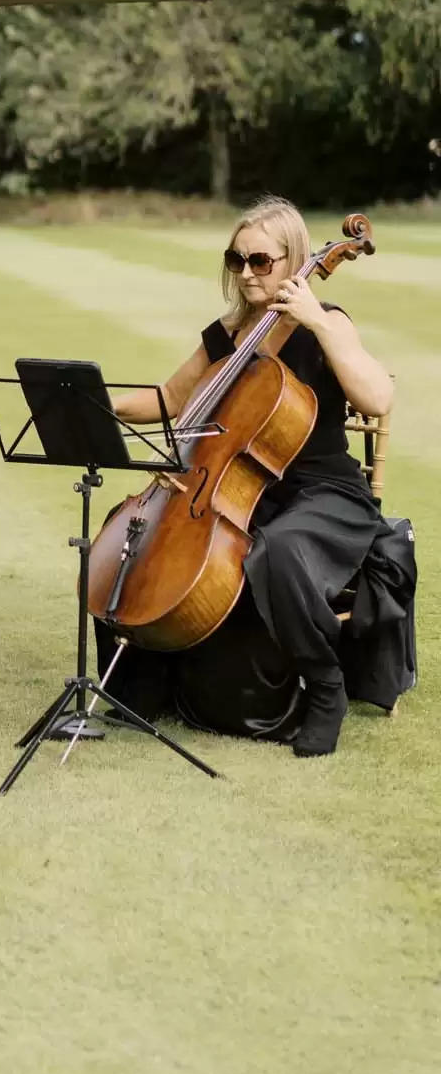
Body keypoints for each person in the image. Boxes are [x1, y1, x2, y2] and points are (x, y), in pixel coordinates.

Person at [104, 195, 395, 759]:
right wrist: (96, 404)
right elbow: (169, 398)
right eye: (236, 261)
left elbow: (377, 395)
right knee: (134, 538)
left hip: (323, 495)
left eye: (260, 261)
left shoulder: (326, 323)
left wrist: (316, 320)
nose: (246, 273)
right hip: (245, 491)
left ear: (293, 261)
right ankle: (145, 681)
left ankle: (326, 687)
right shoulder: (225, 334)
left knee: (278, 552)